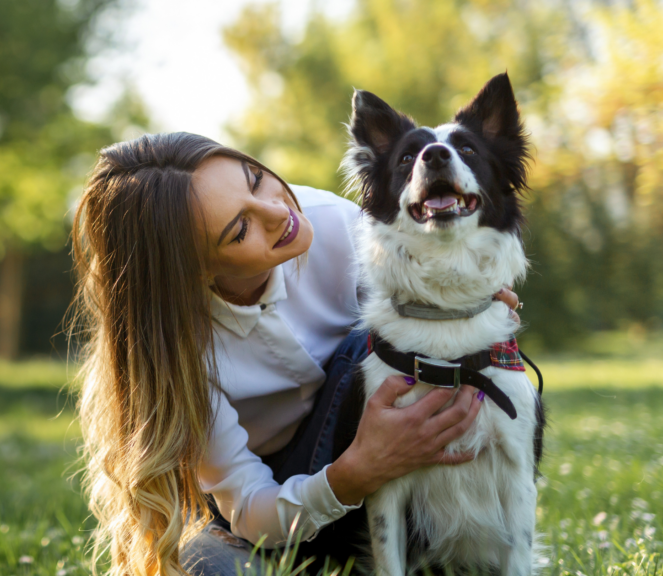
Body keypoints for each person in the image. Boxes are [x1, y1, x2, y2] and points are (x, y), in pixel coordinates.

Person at [70, 132, 521, 576]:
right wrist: (357, 470)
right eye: (240, 229)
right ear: (195, 273)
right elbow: (249, 505)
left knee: (363, 346)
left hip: (390, 490)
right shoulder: (177, 351)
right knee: (199, 562)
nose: (277, 211)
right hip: (269, 509)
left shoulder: (336, 223)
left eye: (255, 179)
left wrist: (467, 298)